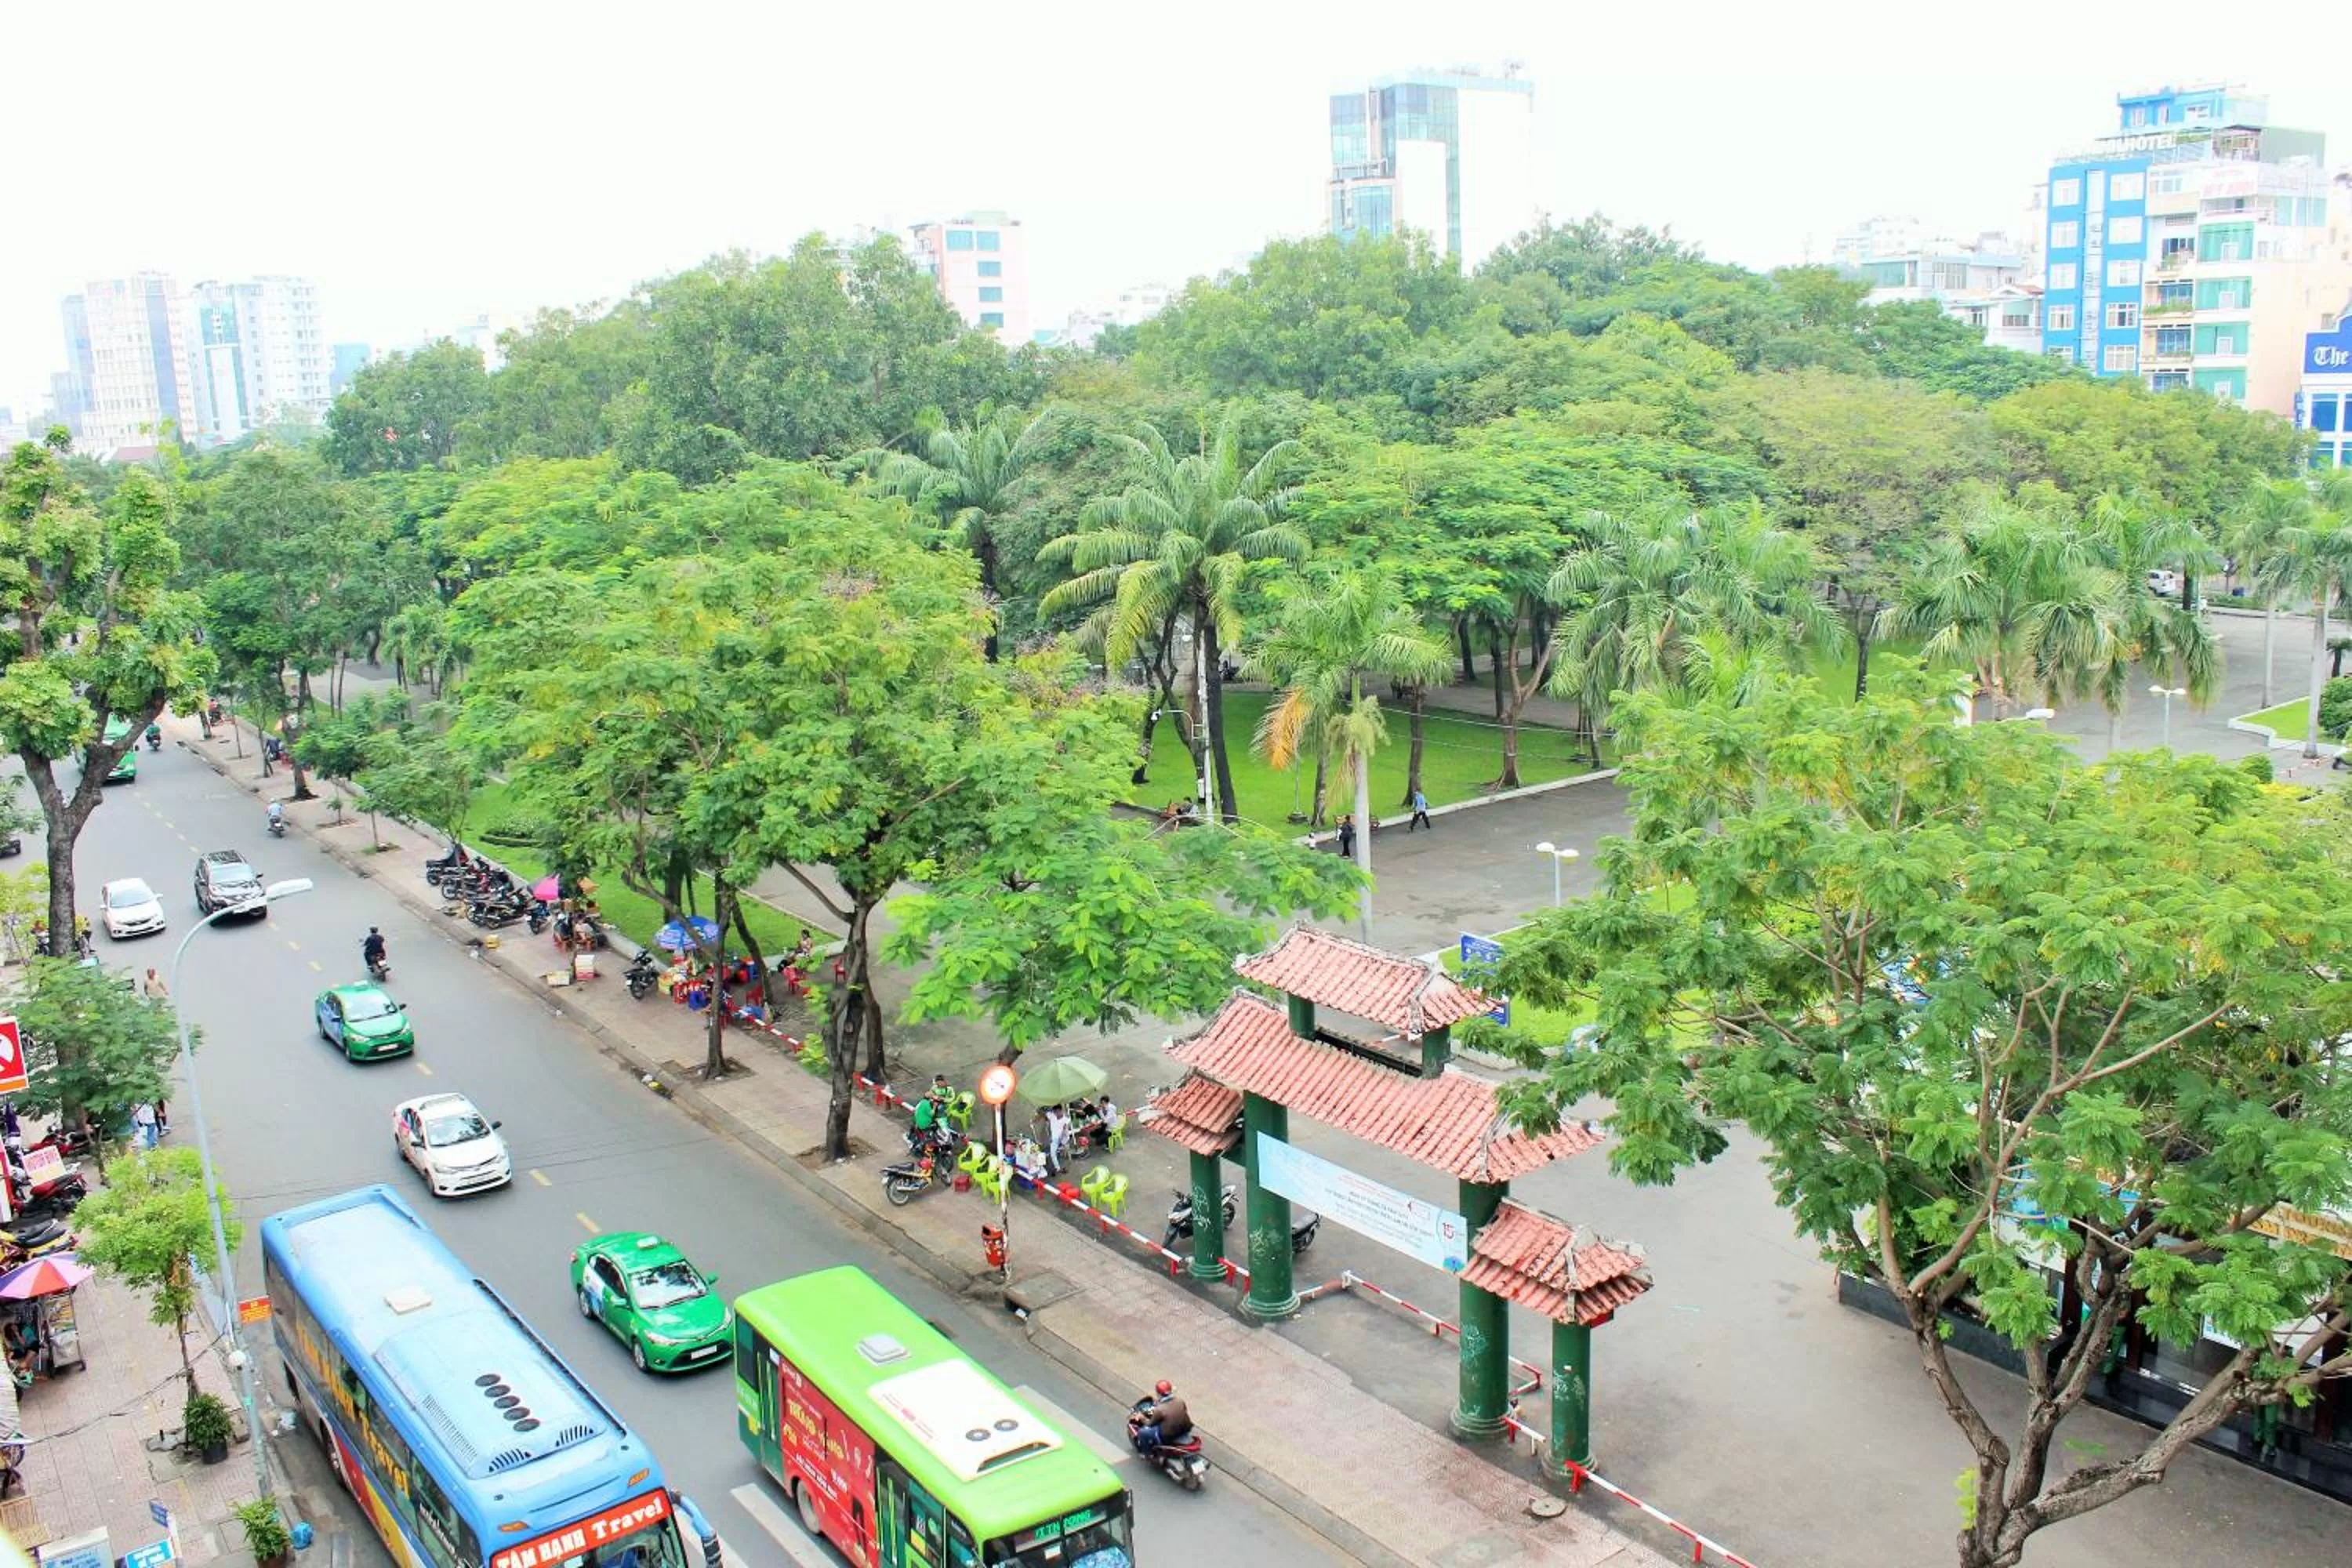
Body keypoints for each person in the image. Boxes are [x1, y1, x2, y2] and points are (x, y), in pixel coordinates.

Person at [1130, 1381, 1191, 1454]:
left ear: (1159, 1394)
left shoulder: (1160, 1409)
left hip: (1168, 1435)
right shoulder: (1180, 1401)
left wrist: (1142, 1418)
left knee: (1143, 1432)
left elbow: (1150, 1424)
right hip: (1184, 1429)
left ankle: (1147, 1454)